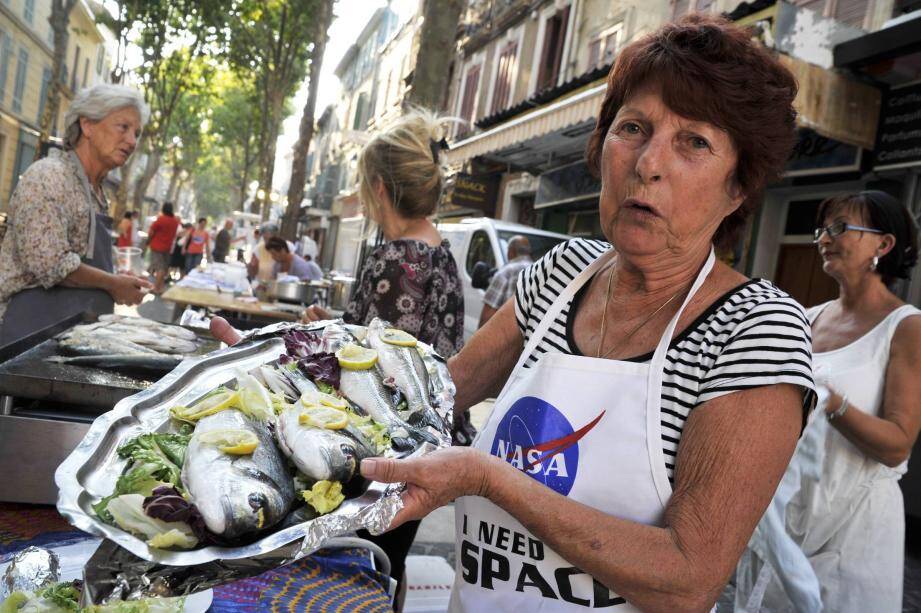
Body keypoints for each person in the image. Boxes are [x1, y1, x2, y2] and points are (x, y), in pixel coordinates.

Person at [349, 16, 814, 611]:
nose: (649, 162)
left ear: (738, 188)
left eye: (694, 141)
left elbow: (689, 577)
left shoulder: (755, 329)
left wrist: (489, 478)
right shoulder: (564, 271)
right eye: (634, 128)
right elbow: (436, 393)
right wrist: (304, 378)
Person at [300, 109, 467, 605]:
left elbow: (372, 372)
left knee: (358, 579)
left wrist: (322, 340)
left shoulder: (395, 259)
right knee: (386, 569)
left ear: (378, 187)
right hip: (426, 447)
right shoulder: (439, 251)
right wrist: (333, 328)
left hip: (387, 454)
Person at [736, 190, 921, 612]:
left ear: (884, 244)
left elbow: (897, 446)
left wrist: (831, 401)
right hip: (785, 513)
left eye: (840, 228)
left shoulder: (906, 327)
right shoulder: (806, 318)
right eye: (822, 229)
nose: (823, 239)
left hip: (853, 522)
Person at [0, 84, 152, 344]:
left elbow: (86, 259)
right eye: (123, 127)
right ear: (87, 125)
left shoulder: (98, 194)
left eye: (136, 133)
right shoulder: (48, 176)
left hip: (73, 338)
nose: (132, 141)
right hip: (25, 339)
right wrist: (112, 284)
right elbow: (53, 265)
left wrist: (118, 279)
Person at [478, 235, 532, 327]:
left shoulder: (506, 272)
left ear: (511, 251)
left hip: (503, 332)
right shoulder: (539, 272)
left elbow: (489, 312)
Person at [147, 202, 181, 293]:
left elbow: (151, 232)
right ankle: (160, 288)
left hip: (157, 246)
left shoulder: (160, 219)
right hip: (168, 248)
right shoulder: (175, 222)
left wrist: (148, 241)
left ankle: (156, 288)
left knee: (159, 268)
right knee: (164, 268)